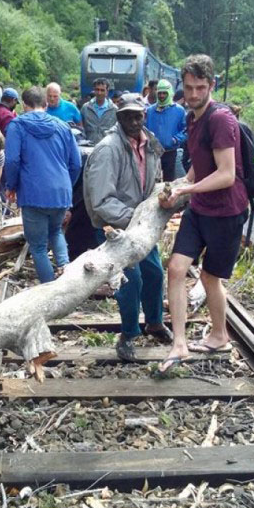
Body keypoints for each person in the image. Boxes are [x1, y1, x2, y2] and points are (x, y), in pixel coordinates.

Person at [158, 55, 249, 373]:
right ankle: (179, 343)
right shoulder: (191, 118)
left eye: (200, 88)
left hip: (226, 212)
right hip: (200, 209)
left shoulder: (221, 119)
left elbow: (226, 174)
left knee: (210, 276)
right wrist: (183, 182)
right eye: (188, 88)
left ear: (212, 85)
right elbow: (201, 163)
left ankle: (220, 334)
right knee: (176, 268)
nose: (193, 94)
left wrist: (186, 191)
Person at [84, 94, 172, 361]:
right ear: (118, 117)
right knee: (130, 282)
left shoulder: (149, 144)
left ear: (144, 115)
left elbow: (155, 180)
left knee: (155, 274)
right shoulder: (108, 149)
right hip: (118, 227)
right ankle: (129, 334)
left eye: (138, 116)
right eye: (128, 116)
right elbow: (101, 200)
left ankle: (154, 322)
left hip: (140, 226)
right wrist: (137, 218)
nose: (134, 121)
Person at [4, 86, 81, 282]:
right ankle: (67, 276)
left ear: (23, 105)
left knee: (38, 246)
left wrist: (11, 185)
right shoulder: (63, 126)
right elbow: (76, 163)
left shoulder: (17, 126)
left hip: (33, 193)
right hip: (61, 192)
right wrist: (66, 185)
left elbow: (12, 160)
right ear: (46, 104)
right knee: (56, 232)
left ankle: (50, 290)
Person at [145, 79, 187, 182]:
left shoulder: (179, 110)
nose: (162, 96)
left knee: (168, 182)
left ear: (170, 93)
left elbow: (186, 130)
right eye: (160, 93)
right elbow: (144, 129)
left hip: (170, 152)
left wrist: (175, 139)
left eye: (165, 93)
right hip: (152, 153)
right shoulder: (150, 111)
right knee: (151, 181)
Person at [81, 78, 118, 145]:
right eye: (97, 90)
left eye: (102, 90)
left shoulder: (114, 109)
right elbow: (81, 128)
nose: (99, 93)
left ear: (107, 92)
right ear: (94, 91)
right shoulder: (86, 108)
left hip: (107, 147)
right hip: (89, 147)